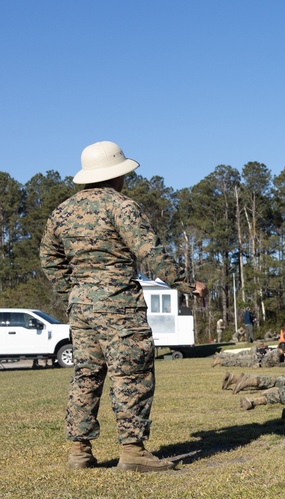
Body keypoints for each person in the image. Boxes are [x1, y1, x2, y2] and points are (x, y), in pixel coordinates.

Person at [39, 140, 206, 472]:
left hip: (81, 308)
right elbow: (149, 252)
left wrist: (75, 291)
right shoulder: (121, 206)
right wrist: (187, 282)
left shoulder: (63, 211)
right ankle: (132, 453)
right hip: (120, 306)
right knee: (131, 372)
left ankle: (79, 451)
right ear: (117, 175)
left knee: (86, 374)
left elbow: (48, 260)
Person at [212, 341, 285, 368]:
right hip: (257, 363)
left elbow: (280, 362)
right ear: (283, 348)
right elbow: (277, 364)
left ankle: (220, 359)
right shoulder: (276, 353)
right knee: (237, 362)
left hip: (258, 361)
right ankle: (220, 361)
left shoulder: (280, 354)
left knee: (237, 360)